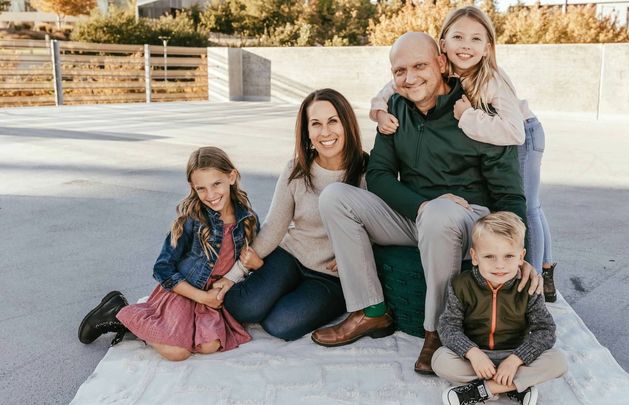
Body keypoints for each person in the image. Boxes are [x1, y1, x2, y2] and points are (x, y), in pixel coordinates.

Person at [311, 32, 541, 374]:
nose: (409, 78)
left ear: (441, 63)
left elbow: (509, 193)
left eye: (419, 66)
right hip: (415, 214)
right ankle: (371, 311)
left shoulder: (476, 109)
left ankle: (438, 331)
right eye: (399, 71)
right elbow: (379, 174)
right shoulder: (394, 109)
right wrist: (421, 205)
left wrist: (523, 255)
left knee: (440, 213)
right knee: (335, 197)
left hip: (467, 221)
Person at [370, 6, 558, 302]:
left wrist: (468, 117)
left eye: (475, 39)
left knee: (529, 205)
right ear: (443, 45)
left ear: (488, 47)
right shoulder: (443, 70)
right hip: (491, 127)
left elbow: (514, 133)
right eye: (458, 37)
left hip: (522, 131)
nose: (466, 45)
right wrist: (379, 110)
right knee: (530, 204)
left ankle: (533, 274)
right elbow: (393, 84)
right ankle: (543, 266)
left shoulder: (492, 79)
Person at [215, 89, 369, 341]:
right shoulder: (296, 170)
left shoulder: (367, 172)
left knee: (281, 324)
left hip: (331, 276)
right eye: (316, 124)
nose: (325, 132)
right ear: (307, 132)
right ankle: (271, 284)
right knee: (244, 307)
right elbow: (274, 227)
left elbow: (381, 227)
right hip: (290, 256)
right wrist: (235, 274)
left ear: (347, 124)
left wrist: (354, 257)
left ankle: (296, 296)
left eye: (333, 121)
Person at [77, 147, 256, 361]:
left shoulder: (247, 219)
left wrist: (254, 264)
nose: (210, 195)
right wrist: (201, 296)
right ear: (193, 187)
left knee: (210, 346)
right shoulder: (192, 220)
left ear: (231, 177)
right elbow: (162, 268)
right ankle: (119, 313)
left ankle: (162, 328)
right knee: (177, 352)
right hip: (183, 292)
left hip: (212, 298)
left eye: (216, 184)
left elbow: (247, 260)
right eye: (201, 188)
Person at [433, 212, 566, 405]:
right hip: (476, 357)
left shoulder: (528, 287)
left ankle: (483, 390)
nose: (500, 265)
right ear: (475, 257)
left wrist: (516, 359)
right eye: (489, 256)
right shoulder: (461, 285)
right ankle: (515, 387)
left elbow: (545, 330)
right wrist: (473, 353)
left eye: (509, 256)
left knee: (558, 361)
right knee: (440, 360)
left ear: (521, 257)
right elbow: (448, 326)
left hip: (515, 355)